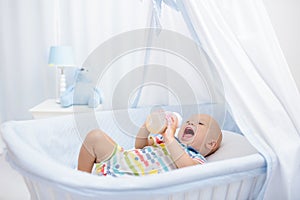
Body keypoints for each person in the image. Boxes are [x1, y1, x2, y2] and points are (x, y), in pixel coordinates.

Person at [77, 112, 222, 176]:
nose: (190, 123)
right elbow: (140, 145)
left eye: (200, 123)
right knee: (94, 137)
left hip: (134, 176)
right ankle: (79, 183)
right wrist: (147, 126)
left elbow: (188, 169)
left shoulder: (195, 159)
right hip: (123, 160)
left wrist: (170, 138)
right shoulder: (164, 141)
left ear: (210, 144)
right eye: (189, 121)